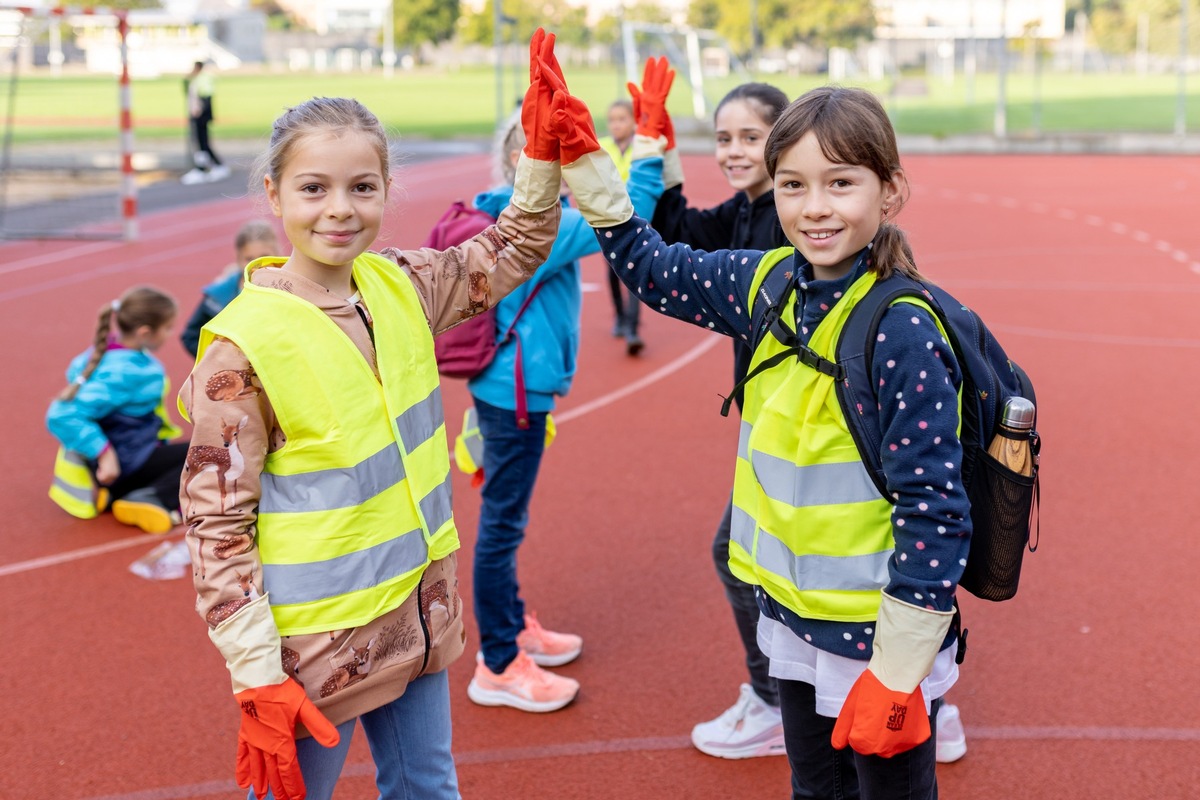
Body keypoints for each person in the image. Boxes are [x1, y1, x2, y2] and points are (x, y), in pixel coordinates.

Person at [542, 67, 969, 800]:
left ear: (888, 193)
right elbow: (654, 267)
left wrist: (900, 676)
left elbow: (935, 508)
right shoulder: (767, 280)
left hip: (876, 639)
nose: (813, 208)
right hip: (793, 624)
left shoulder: (902, 329)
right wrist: (586, 164)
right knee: (814, 789)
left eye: (841, 184)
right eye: (794, 185)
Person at [178, 30, 570, 800]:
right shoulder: (242, 347)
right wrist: (256, 672)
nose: (339, 209)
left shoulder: (402, 285)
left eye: (363, 187)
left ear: (387, 191)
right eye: (313, 188)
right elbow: (216, 525)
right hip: (312, 649)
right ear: (274, 195)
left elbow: (518, 245)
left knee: (428, 785)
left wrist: (540, 159)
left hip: (417, 612)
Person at [464, 92, 662, 713]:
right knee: (502, 525)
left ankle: (514, 624)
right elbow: (631, 212)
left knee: (504, 519)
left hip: (501, 384)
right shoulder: (542, 230)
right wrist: (649, 148)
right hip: (516, 393)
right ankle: (497, 661)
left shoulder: (496, 213)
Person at [627, 74, 792, 760]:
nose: (732, 150)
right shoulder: (748, 205)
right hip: (772, 418)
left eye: (749, 137)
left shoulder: (785, 215)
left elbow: (682, 269)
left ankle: (778, 701)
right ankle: (917, 696)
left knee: (743, 555)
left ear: (784, 142)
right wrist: (658, 148)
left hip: (801, 422)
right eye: (722, 138)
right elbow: (678, 234)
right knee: (774, 562)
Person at [46, 286, 186, 534]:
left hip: (119, 458)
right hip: (126, 461)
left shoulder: (96, 355)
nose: (169, 334)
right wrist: (105, 454)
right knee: (207, 452)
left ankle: (112, 494)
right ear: (145, 332)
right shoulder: (134, 371)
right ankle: (152, 497)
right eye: (167, 328)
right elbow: (62, 413)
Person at [180, 220, 279, 356]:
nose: (256, 264)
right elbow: (191, 336)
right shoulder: (218, 295)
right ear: (238, 258)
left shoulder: (290, 291)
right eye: (249, 258)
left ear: (277, 253)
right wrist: (216, 362)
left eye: (264, 256)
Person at [597, 98, 643, 354]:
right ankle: (620, 316)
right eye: (612, 120)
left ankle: (633, 329)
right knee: (613, 272)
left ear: (634, 121)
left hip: (638, 221)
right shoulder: (601, 148)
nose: (616, 125)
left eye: (622, 119)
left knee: (634, 271)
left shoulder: (641, 148)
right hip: (609, 221)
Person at [181, 60, 230, 185]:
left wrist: (202, 113)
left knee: (202, 142)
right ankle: (205, 167)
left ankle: (205, 168)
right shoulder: (198, 79)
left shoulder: (202, 79)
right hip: (199, 115)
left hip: (200, 116)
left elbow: (206, 97)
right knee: (201, 143)